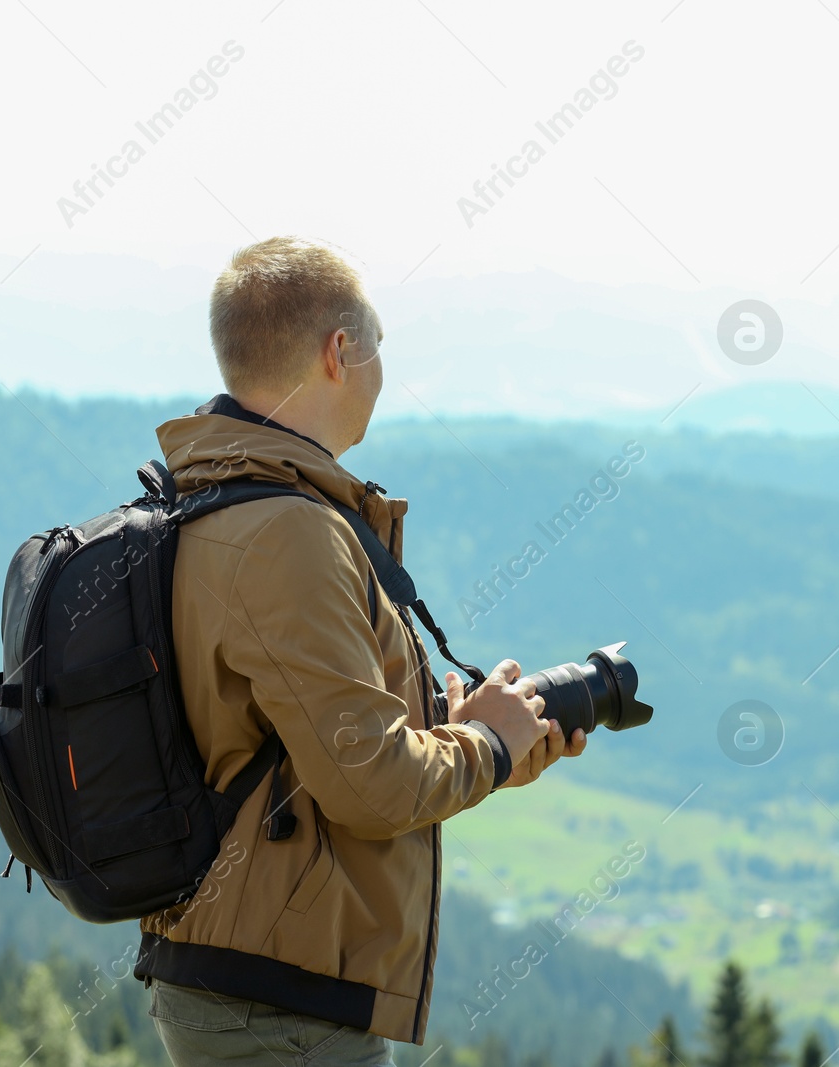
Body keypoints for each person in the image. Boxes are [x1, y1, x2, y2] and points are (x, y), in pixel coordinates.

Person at [133, 236, 585, 1066]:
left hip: (240, 974)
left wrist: (462, 732)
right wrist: (486, 745)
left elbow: (287, 740)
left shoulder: (213, 499)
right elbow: (369, 788)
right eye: (378, 346)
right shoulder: (288, 531)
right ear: (340, 352)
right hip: (279, 998)